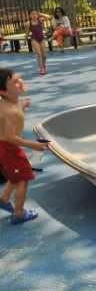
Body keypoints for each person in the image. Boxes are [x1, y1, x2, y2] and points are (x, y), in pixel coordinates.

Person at [0, 68, 48, 224]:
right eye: (15, 82)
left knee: (16, 174)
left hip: (7, 147)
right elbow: (10, 137)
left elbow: (14, 110)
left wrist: (22, 106)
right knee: (23, 179)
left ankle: (4, 199)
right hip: (8, 148)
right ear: (3, 91)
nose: (20, 82)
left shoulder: (11, 103)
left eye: (19, 78)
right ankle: (19, 213)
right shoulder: (8, 111)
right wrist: (33, 145)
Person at [27, 9, 50, 75]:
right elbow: (27, 32)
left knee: (44, 55)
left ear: (37, 14)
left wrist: (41, 14)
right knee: (39, 54)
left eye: (35, 13)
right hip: (34, 39)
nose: (34, 15)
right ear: (29, 16)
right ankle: (41, 68)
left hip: (41, 39)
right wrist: (26, 38)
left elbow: (49, 17)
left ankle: (44, 65)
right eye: (32, 14)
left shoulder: (40, 20)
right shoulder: (29, 23)